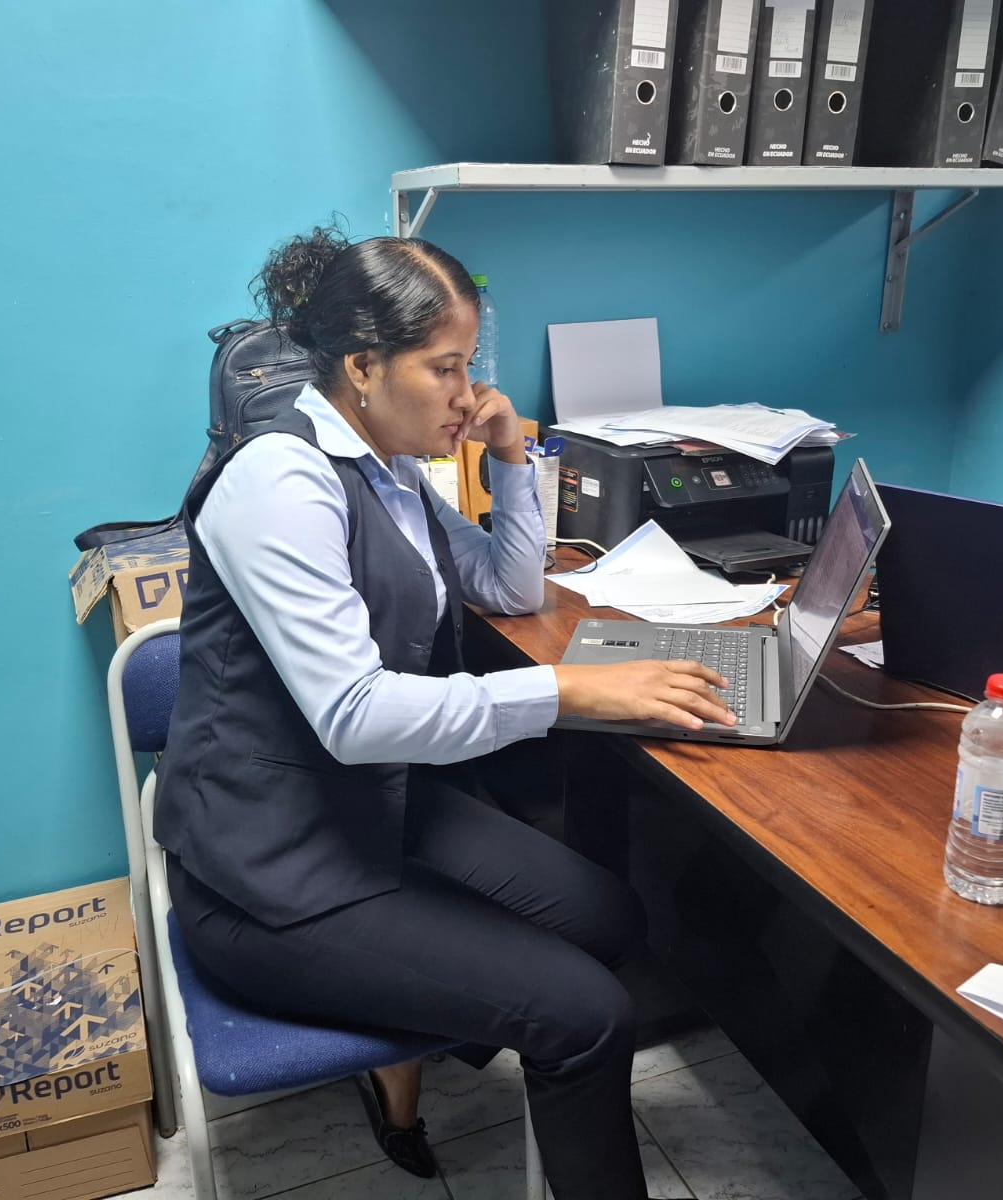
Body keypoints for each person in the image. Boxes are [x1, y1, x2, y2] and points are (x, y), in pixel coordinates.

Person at [151, 224, 734, 1200]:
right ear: (363, 366)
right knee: (587, 1015)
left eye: (471, 366)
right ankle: (457, 1028)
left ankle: (430, 1027)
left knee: (610, 916)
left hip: (370, 808)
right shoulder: (279, 482)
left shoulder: (391, 470)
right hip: (267, 874)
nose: (468, 392)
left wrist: (510, 456)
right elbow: (354, 714)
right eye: (447, 367)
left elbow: (509, 586)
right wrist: (568, 690)